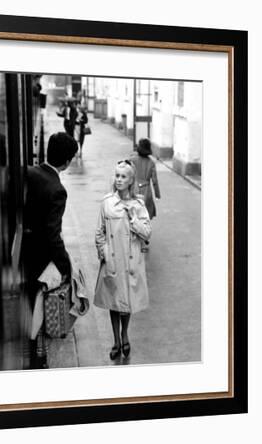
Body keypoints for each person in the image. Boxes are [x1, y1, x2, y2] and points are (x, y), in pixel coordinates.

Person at [23, 132, 78, 369]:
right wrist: (66, 266)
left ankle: (37, 349)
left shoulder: (28, 172)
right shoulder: (57, 189)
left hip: (24, 251)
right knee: (41, 306)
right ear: (67, 162)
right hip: (40, 258)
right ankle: (38, 355)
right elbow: (52, 234)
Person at [93, 160, 152, 361]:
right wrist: (103, 252)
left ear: (131, 180)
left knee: (126, 302)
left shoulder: (139, 204)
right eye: (116, 175)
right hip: (112, 260)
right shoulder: (107, 202)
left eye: (123, 176)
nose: (118, 180)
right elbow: (99, 232)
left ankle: (125, 334)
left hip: (131, 261)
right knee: (113, 301)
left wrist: (134, 219)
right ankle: (116, 340)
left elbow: (147, 233)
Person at [130, 138, 161, 220]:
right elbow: (154, 181)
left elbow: (128, 174)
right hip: (146, 190)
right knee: (146, 211)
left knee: (133, 210)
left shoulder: (132, 160)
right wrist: (157, 194)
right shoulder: (151, 163)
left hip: (134, 188)